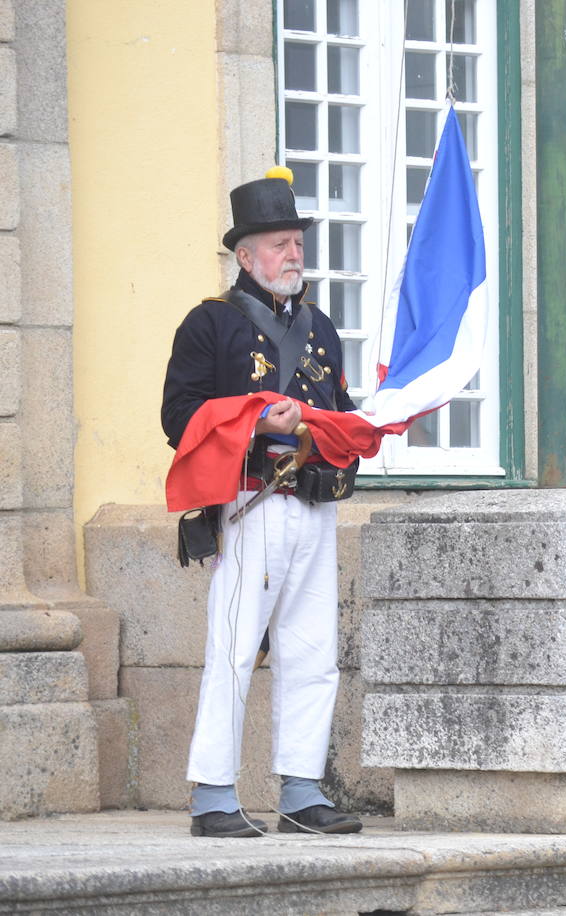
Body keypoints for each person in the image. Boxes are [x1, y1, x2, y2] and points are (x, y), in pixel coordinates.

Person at [161, 168, 363, 838]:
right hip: (251, 503)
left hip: (313, 504)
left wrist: (336, 432)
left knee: (313, 651)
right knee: (233, 648)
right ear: (246, 258)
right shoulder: (209, 324)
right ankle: (213, 796)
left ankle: (301, 791)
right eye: (280, 244)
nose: (293, 255)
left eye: (297, 243)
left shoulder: (319, 327)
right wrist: (255, 425)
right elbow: (180, 417)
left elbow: (340, 411)